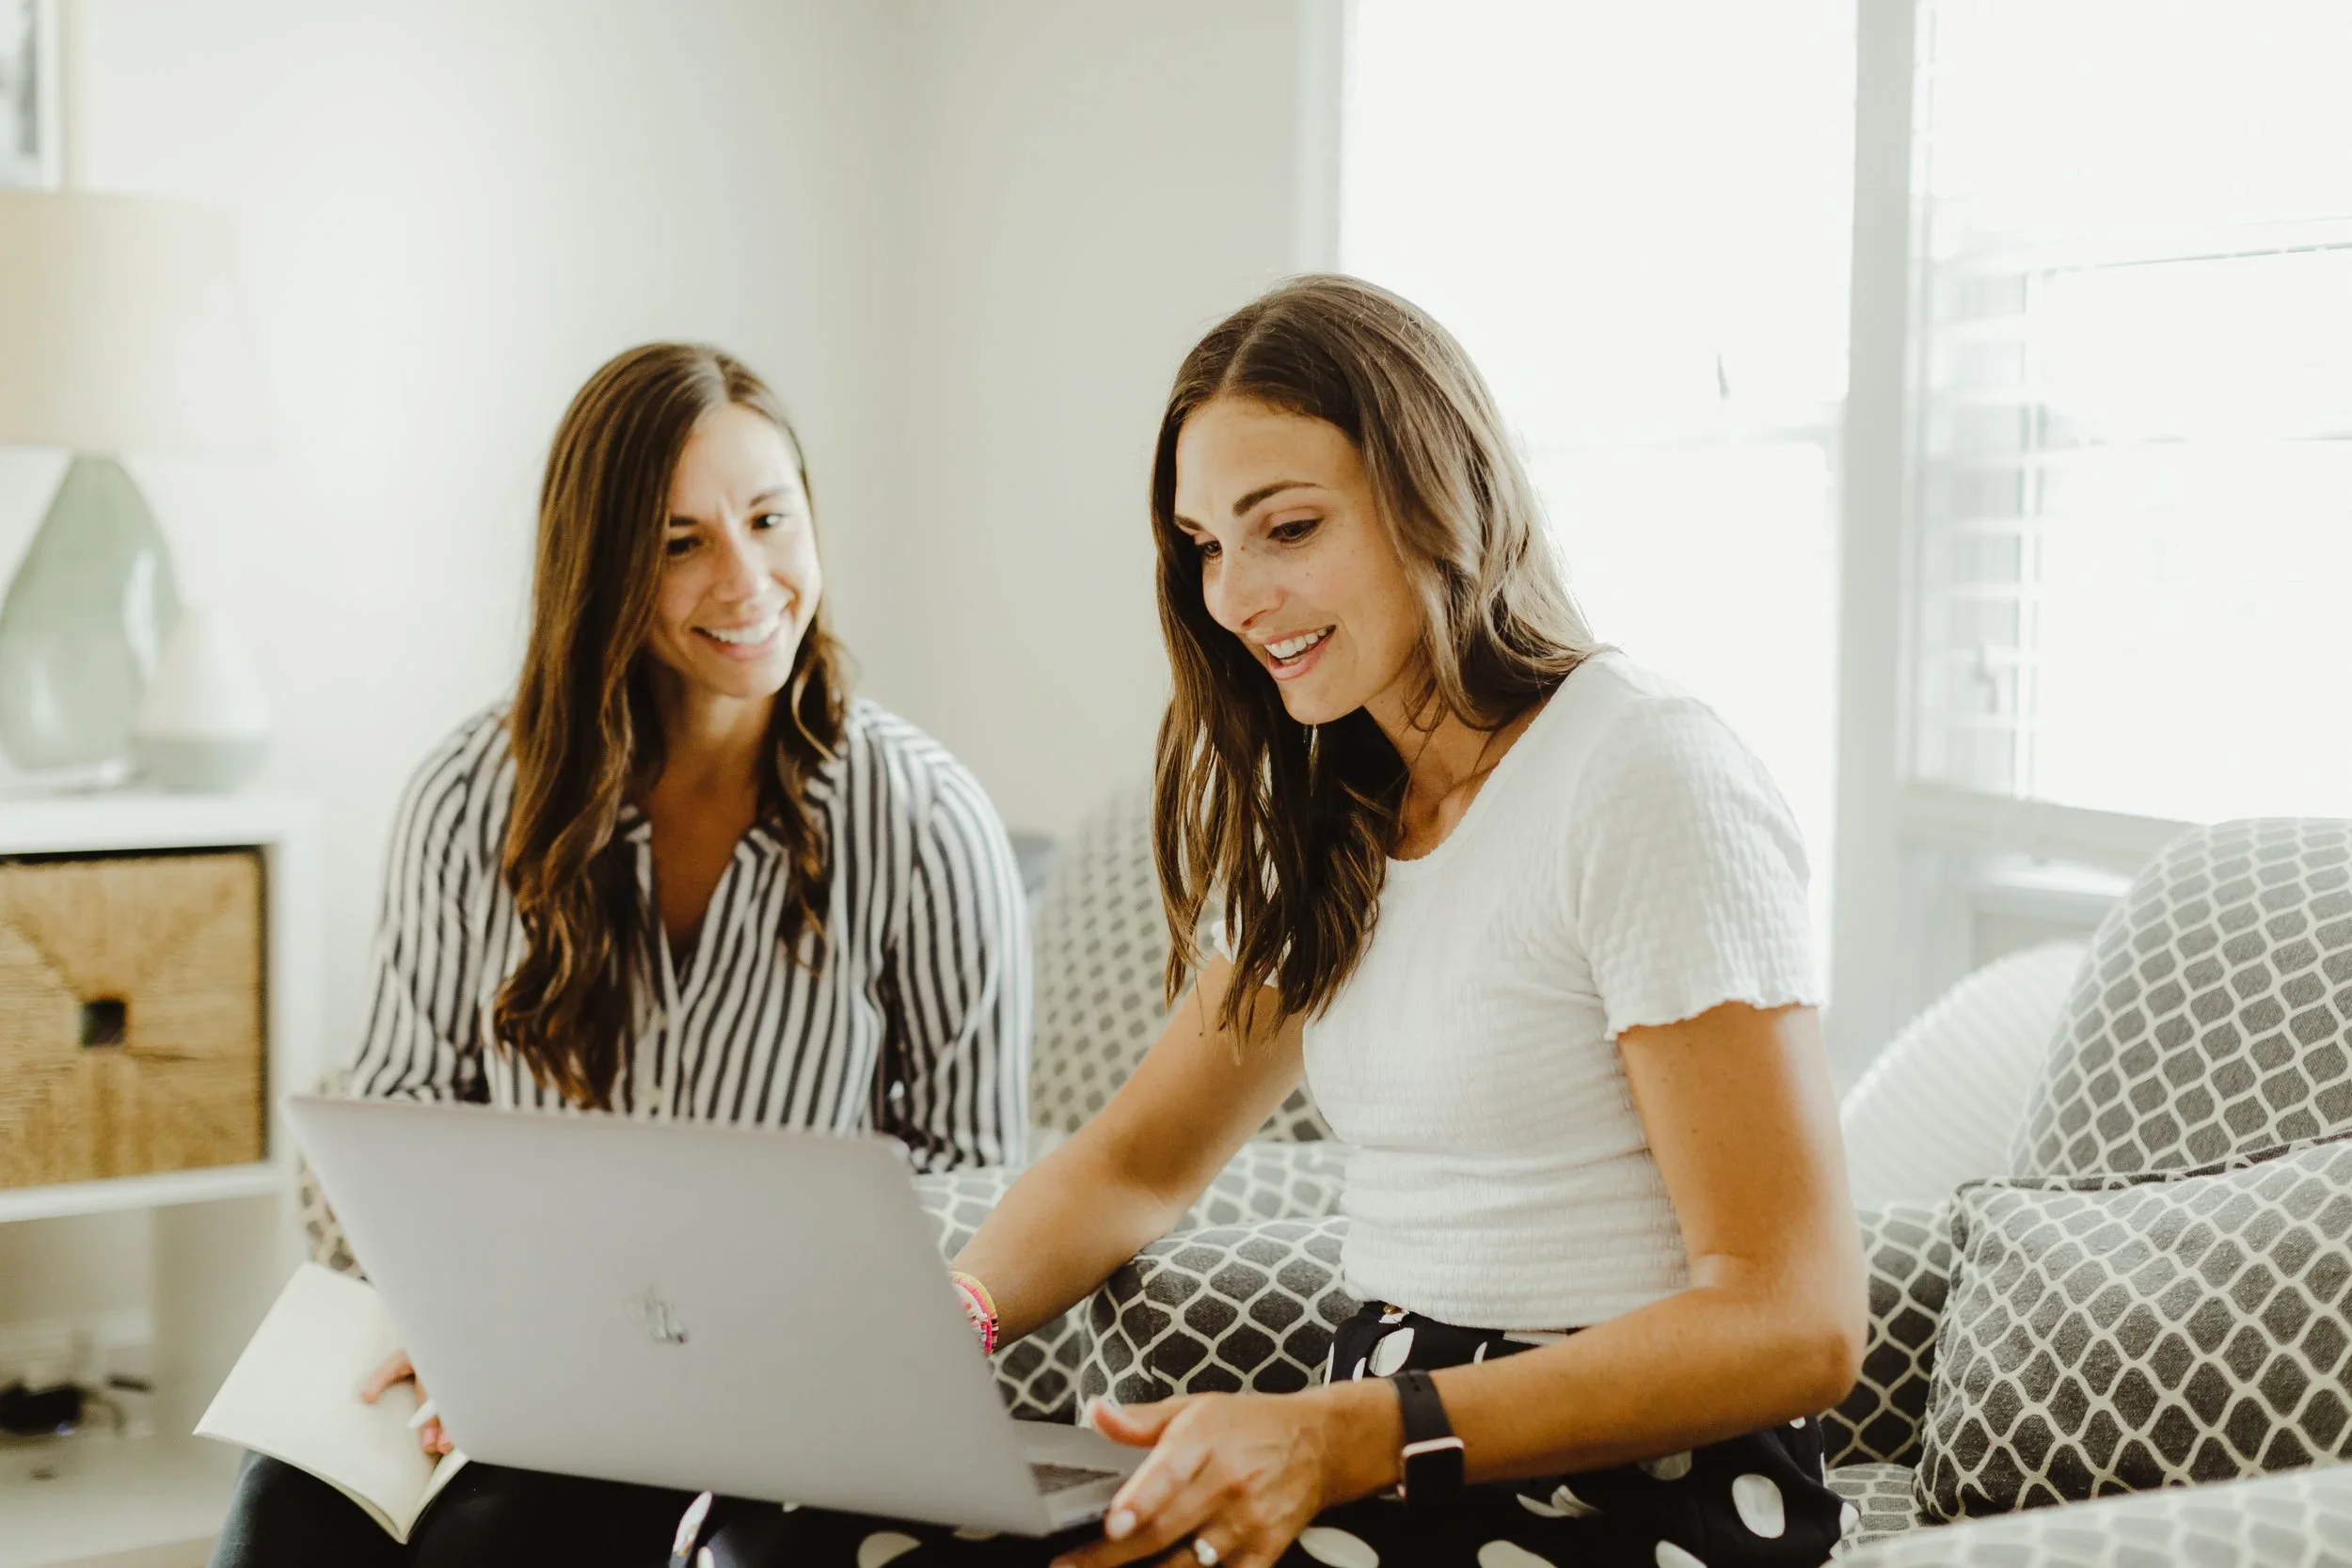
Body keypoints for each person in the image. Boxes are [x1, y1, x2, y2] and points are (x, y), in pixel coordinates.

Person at [697, 276, 1866, 1568]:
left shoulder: (1641, 773)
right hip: (1388, 1449)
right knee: (770, 1531)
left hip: (1632, 1490)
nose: (1234, 596)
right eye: (1204, 545)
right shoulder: (1335, 812)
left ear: (1445, 494)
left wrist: (1345, 1435)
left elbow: (1795, 1319)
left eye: (1288, 527)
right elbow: (1135, 1165)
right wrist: (942, 1325)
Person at [210, 342, 1032, 1568]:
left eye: (770, 519)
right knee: (283, 1510)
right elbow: (393, 1118)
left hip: (782, 1384)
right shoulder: (469, 796)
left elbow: (978, 1186)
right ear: (599, 567)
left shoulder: (923, 819)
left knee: (498, 1539)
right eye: (679, 541)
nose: (747, 578)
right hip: (506, 1346)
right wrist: (454, 1319)